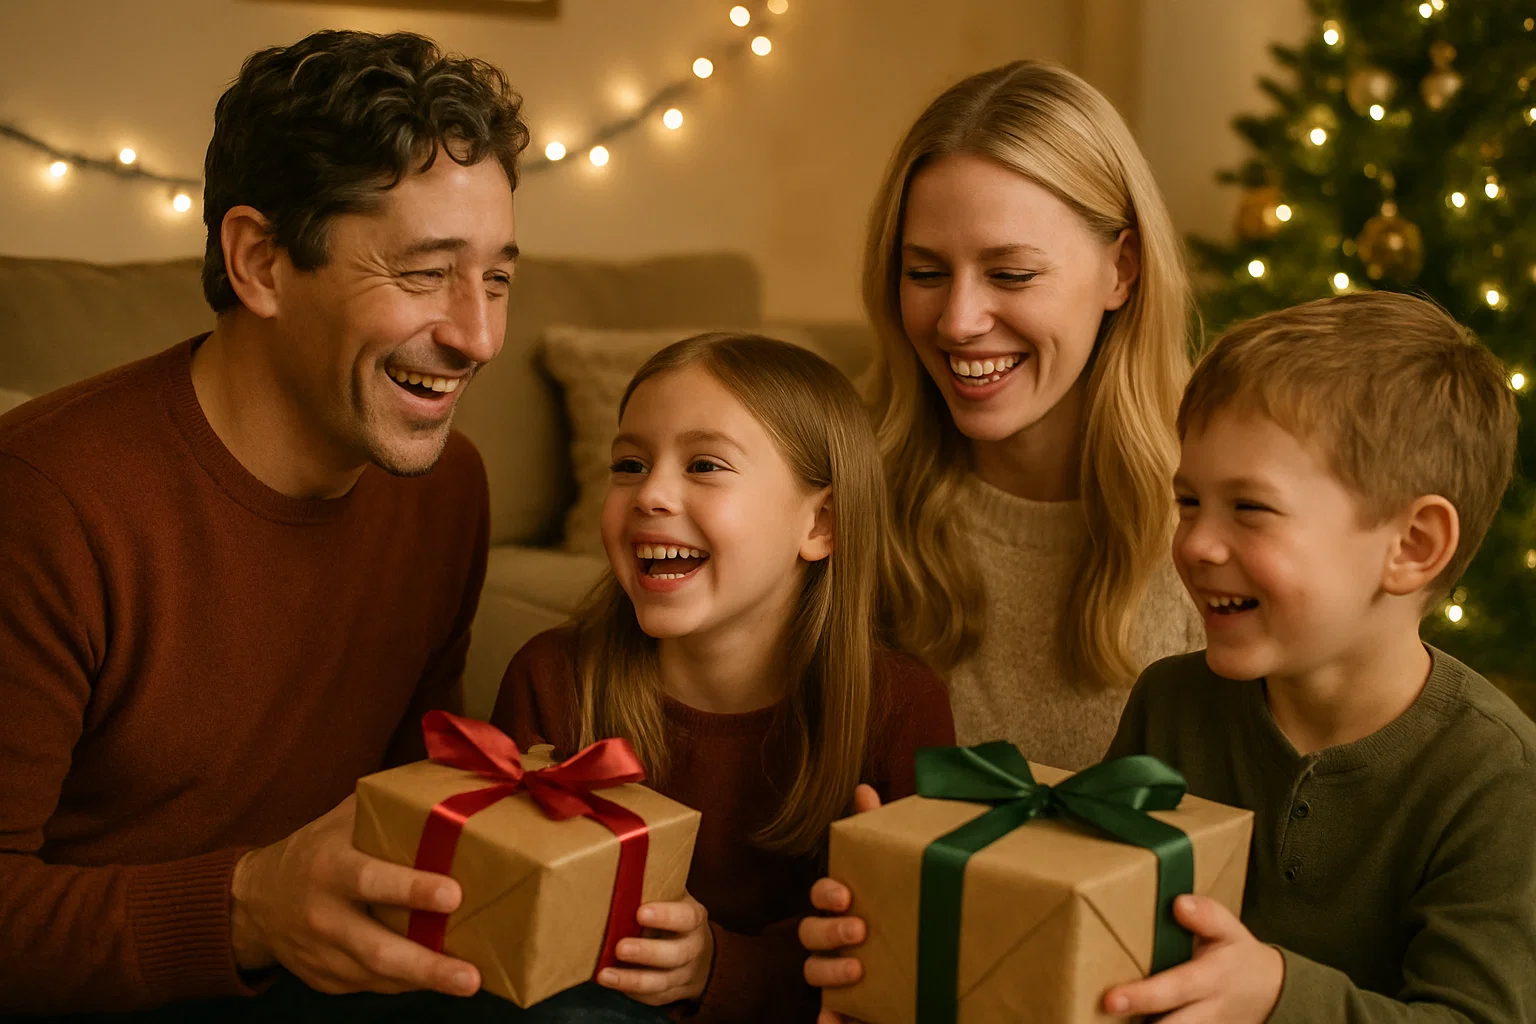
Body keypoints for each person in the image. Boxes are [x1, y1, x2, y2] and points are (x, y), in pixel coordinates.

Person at [0, 29, 539, 1016]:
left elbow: (411, 784)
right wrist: (245, 907)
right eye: (426, 272)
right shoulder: (43, 503)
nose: (480, 336)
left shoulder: (447, 483)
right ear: (259, 261)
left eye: (497, 277)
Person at [812, 292, 1536, 1023]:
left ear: (1412, 547)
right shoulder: (1174, 702)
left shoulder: (1496, 777)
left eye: (1249, 508)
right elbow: (1092, 908)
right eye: (1189, 502)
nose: (1194, 544)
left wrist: (1276, 998)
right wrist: (931, 875)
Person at [491, 334, 956, 1023]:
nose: (650, 493)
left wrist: (717, 965)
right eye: (629, 464)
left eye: (704, 465)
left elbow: (910, 956)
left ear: (820, 523)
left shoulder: (898, 706)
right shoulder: (554, 677)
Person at [865, 59, 1203, 771]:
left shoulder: (1217, 513)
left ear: (1123, 269)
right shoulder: (847, 490)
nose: (957, 322)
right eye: (925, 273)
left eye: (1011, 274)